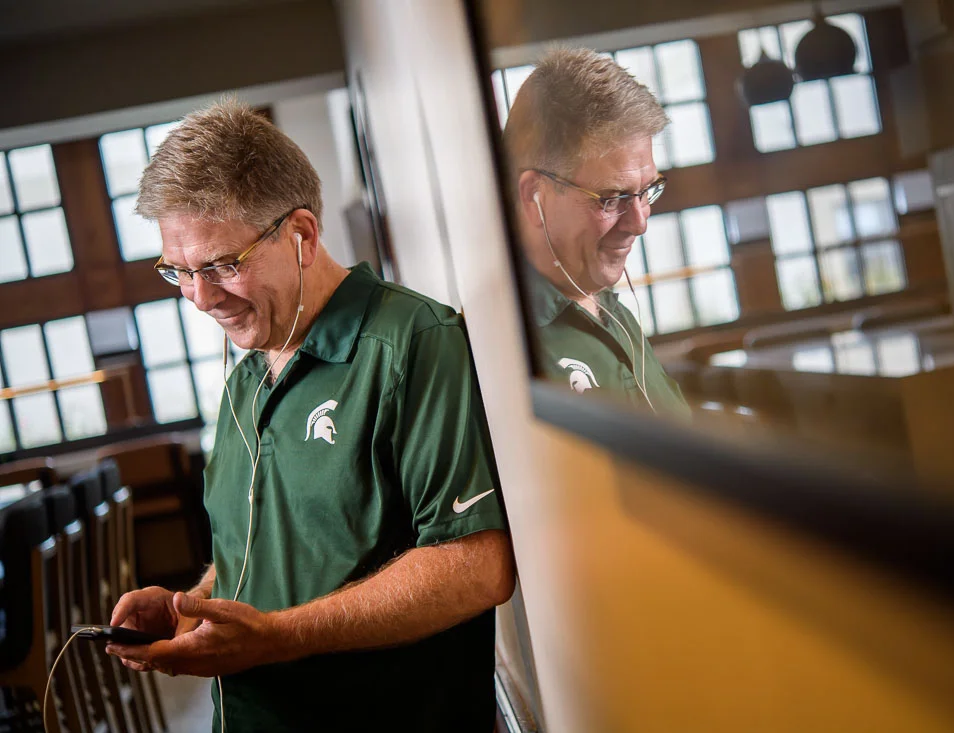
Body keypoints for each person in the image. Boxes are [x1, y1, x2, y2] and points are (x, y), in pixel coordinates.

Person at [107, 99, 515, 732]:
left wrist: (275, 636)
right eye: (179, 271)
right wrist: (197, 605)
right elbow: (273, 545)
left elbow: (476, 566)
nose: (200, 298)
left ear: (300, 234)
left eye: (221, 265)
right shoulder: (247, 373)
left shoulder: (414, 342)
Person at [503, 47, 691, 418]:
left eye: (647, 191)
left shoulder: (617, 314)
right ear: (533, 196)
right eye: (611, 198)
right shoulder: (500, 341)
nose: (640, 223)